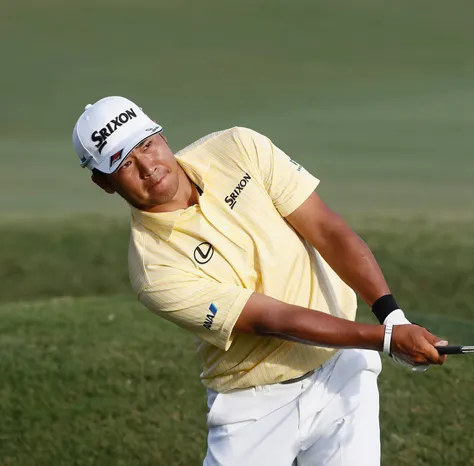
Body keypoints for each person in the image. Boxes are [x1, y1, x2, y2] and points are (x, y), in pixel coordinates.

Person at [71, 96, 449, 465]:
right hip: (254, 407)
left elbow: (326, 229)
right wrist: (386, 339)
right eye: (124, 163)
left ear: (162, 137)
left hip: (343, 370)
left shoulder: (237, 148)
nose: (148, 166)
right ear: (104, 183)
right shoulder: (153, 270)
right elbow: (273, 320)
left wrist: (392, 318)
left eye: (147, 145)